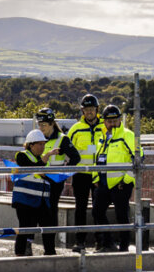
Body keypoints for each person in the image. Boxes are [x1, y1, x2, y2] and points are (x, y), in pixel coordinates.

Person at [92, 104, 141, 252]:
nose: (112, 124)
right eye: (109, 121)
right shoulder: (101, 137)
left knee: (122, 215)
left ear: (120, 120)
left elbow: (139, 159)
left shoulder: (128, 135)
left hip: (120, 184)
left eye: (115, 120)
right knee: (97, 212)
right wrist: (95, 178)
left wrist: (125, 180)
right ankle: (108, 243)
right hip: (103, 183)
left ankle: (124, 247)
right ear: (104, 121)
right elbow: (98, 158)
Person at [64, 94, 104, 252]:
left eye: (92, 109)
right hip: (81, 174)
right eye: (86, 109)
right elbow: (68, 149)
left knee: (98, 209)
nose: (89, 112)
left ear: (97, 110)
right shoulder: (75, 129)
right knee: (80, 208)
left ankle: (99, 241)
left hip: (98, 174)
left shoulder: (104, 126)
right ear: (82, 111)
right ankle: (80, 242)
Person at [37, 107, 78, 252]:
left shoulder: (62, 139)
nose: (41, 128)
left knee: (50, 212)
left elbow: (75, 157)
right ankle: (39, 245)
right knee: (39, 212)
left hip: (54, 182)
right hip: (39, 181)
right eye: (39, 125)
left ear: (52, 124)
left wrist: (64, 174)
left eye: (44, 125)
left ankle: (50, 248)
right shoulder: (37, 138)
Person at [11, 130, 56, 256]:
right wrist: (45, 159)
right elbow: (31, 167)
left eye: (44, 144)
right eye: (40, 144)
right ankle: (20, 253)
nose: (42, 147)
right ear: (31, 145)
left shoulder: (43, 160)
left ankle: (50, 252)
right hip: (24, 199)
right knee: (25, 227)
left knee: (48, 226)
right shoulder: (22, 155)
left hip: (41, 199)